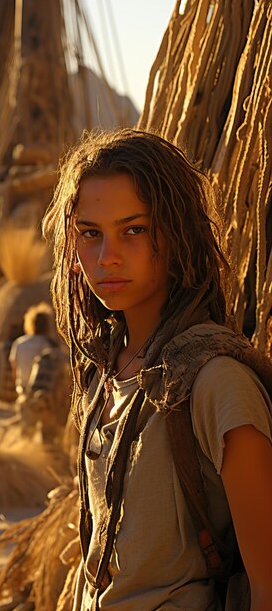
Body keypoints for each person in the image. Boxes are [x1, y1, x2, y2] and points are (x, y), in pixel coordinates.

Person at [42, 128, 272, 610]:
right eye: (90, 233)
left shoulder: (217, 382)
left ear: (176, 232)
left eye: (134, 229)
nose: (107, 257)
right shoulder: (104, 372)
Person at [9, 302, 55, 397]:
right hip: (42, 391)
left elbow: (14, 366)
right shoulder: (48, 344)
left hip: (21, 388)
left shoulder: (19, 342)